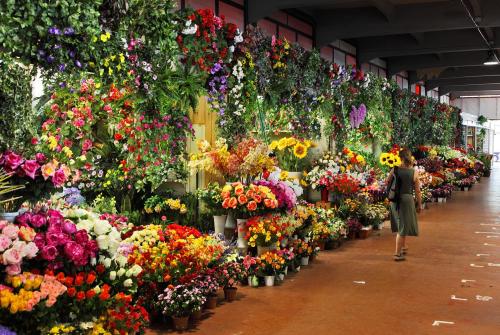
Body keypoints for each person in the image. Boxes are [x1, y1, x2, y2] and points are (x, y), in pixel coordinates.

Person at [386, 148, 422, 261]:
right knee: (403, 225)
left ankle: (403, 247)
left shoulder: (395, 169)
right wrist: (419, 204)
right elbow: (417, 191)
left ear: (400, 157)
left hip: (395, 199)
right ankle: (397, 254)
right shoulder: (414, 172)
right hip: (407, 200)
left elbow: (387, 181)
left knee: (401, 223)